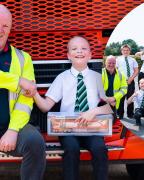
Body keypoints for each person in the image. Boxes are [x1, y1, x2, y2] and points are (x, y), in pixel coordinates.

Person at [33, 36, 113, 180]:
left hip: (92, 127)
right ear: (69, 56)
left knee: (100, 149)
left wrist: (94, 111)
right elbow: (45, 107)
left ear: (90, 54)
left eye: (84, 49)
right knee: (71, 149)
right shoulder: (61, 78)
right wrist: (34, 93)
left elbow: (112, 106)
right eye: (74, 49)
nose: (79, 52)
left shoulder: (99, 78)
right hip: (68, 128)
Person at [0, 5, 46, 180]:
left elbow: (26, 99)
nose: (0, 30)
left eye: (5, 26)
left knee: (35, 142)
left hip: (9, 124)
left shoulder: (22, 58)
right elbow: (22, 85)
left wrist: (12, 130)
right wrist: (17, 81)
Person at [116, 44, 139, 119]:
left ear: (129, 51)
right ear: (121, 51)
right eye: (124, 50)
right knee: (120, 98)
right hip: (120, 82)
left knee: (130, 97)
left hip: (130, 81)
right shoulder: (118, 59)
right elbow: (115, 70)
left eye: (127, 50)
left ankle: (130, 113)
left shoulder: (133, 60)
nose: (126, 51)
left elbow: (136, 71)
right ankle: (120, 113)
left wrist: (131, 79)